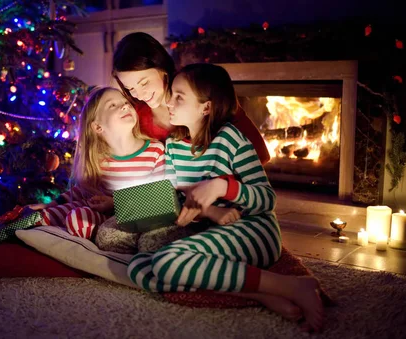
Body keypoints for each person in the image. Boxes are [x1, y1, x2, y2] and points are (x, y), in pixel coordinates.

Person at [126, 63, 324, 332]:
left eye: (179, 97)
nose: (169, 102)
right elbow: (173, 196)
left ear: (206, 107)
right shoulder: (172, 145)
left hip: (255, 230)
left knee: (167, 262)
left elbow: (267, 199)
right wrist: (208, 211)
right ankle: (257, 294)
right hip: (213, 234)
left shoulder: (231, 140)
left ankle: (291, 286)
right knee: (138, 265)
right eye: (171, 94)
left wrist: (220, 188)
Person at [112, 31, 271, 165]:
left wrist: (221, 186)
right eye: (130, 88)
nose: (139, 94)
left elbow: (259, 155)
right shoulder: (136, 117)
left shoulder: (200, 90)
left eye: (144, 82)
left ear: (161, 67)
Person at [27, 87, 166, 240]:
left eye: (126, 102)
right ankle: (2, 234)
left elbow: (160, 197)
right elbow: (83, 189)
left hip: (135, 218)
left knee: (77, 220)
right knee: (43, 216)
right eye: (112, 105)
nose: (125, 106)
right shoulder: (100, 159)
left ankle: (115, 238)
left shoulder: (155, 151)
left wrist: (115, 203)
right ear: (98, 127)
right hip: (101, 216)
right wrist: (52, 204)